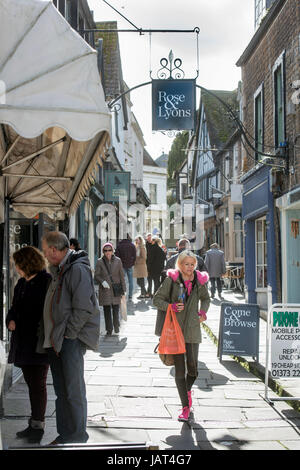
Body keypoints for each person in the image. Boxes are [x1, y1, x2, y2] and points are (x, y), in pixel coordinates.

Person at [39, 231, 100, 445]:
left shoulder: (76, 269)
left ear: (54, 250)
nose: (45, 255)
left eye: (46, 251)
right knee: (61, 391)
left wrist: (68, 335)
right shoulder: (60, 269)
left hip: (67, 341)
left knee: (73, 390)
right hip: (56, 341)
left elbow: (84, 307)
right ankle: (65, 435)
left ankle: (76, 437)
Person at [153, 250, 210, 422]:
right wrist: (170, 306)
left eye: (193, 264)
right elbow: (156, 299)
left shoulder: (199, 282)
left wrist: (203, 312)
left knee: (193, 370)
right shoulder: (172, 280)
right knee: (179, 371)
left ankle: (187, 391)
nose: (190, 267)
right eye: (187, 264)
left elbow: (206, 299)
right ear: (180, 264)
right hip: (175, 330)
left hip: (193, 329)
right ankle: (185, 407)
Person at [6, 246, 51, 443]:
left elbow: (47, 314)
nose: (15, 268)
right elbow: (14, 308)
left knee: (38, 384)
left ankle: (38, 426)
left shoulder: (45, 282)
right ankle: (33, 422)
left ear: (26, 263)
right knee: (31, 384)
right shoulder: (21, 284)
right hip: (23, 343)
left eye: (17, 264)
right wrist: (11, 319)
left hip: (38, 343)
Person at [94, 242, 126, 335]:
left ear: (112, 251)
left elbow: (122, 276)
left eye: (109, 250)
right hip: (105, 290)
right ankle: (109, 329)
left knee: (116, 309)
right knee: (107, 310)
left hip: (116, 289)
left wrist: (124, 290)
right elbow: (96, 275)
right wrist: (102, 281)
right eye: (105, 250)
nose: (107, 252)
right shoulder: (100, 261)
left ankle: (116, 327)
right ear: (103, 252)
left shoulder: (118, 260)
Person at [115, 235, 136, 300]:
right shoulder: (132, 245)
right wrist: (132, 263)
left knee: (121, 280)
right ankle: (130, 296)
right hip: (130, 265)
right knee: (131, 281)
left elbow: (117, 256)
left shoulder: (119, 245)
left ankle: (122, 294)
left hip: (122, 265)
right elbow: (134, 256)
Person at [145, 233, 154, 298]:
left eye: (150, 238)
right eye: (148, 238)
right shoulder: (145, 245)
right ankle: (149, 292)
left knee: (155, 280)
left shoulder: (154, 244)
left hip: (154, 264)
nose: (149, 239)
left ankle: (152, 292)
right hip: (148, 264)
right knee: (149, 279)